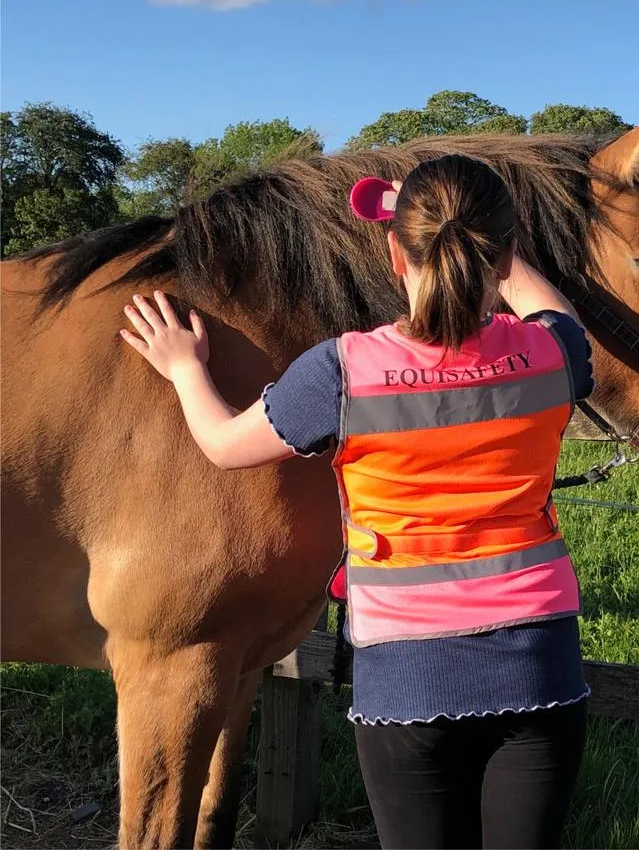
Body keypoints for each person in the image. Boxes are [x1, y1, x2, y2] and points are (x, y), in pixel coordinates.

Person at [120, 154, 594, 850]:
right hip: (540, 665)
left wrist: (186, 366)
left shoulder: (343, 372)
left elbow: (223, 444)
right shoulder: (555, 357)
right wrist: (486, 243)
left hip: (406, 679)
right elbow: (554, 310)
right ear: (505, 256)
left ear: (394, 254)